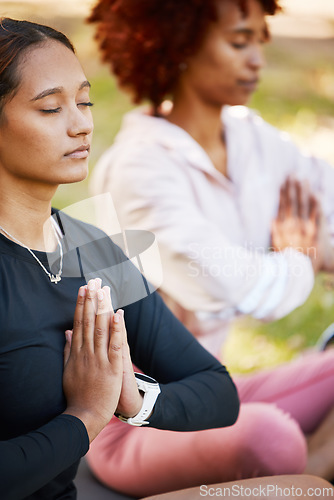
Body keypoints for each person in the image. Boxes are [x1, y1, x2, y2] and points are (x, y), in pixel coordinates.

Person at [87, 0, 334, 494]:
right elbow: (226, 284)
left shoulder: (252, 142)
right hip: (131, 416)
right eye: (239, 42)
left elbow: (323, 210)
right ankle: (308, 476)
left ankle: (305, 476)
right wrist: (299, 260)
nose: (257, 59)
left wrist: (306, 251)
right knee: (269, 438)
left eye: (259, 41)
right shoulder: (139, 169)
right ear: (177, 46)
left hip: (212, 393)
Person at [0, 17, 240, 499]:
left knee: (307, 489)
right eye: (51, 108)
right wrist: (87, 416)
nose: (81, 122)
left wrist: (135, 399)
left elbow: (217, 390)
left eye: (84, 102)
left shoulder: (91, 245)